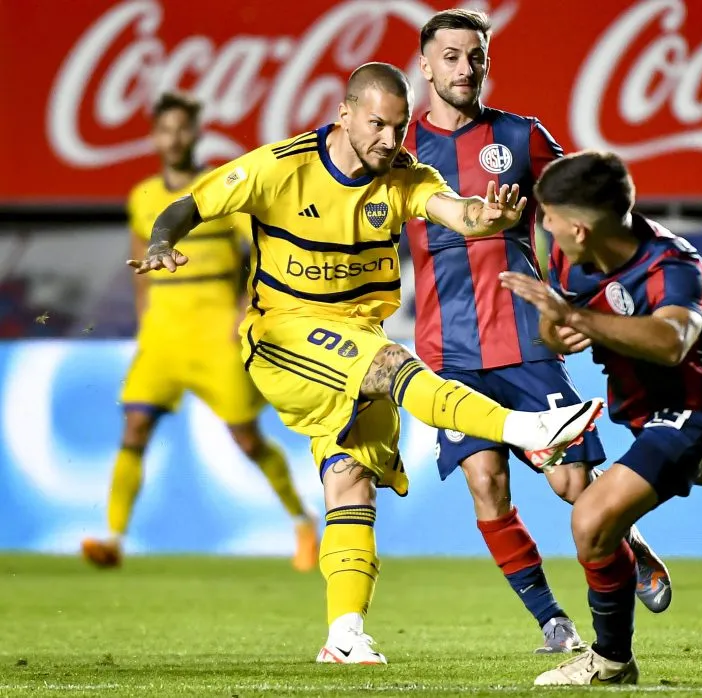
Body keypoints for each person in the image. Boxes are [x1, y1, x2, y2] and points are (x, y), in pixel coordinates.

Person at [127, 63, 604, 666]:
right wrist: (164, 243)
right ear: (344, 114)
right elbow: (186, 206)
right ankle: (525, 428)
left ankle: (344, 634)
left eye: (399, 128)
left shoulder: (403, 176)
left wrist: (490, 220)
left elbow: (454, 210)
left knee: (350, 480)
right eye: (376, 124)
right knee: (393, 366)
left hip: (352, 335)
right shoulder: (280, 168)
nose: (389, 139)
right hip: (283, 334)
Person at [405, 9, 672, 654]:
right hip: (447, 354)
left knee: (571, 484)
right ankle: (553, 622)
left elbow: (579, 210)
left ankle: (628, 549)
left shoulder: (521, 139)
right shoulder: (400, 153)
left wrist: (603, 291)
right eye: (450, 57)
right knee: (484, 482)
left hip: (524, 339)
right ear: (425, 64)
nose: (464, 69)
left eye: (475, 56)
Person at [500, 151, 702, 686]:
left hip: (700, 401)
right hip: (642, 404)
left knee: (593, 522)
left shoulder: (673, 266)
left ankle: (612, 661)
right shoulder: (573, 255)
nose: (540, 223)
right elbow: (560, 327)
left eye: (547, 215)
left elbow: (672, 341)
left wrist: (578, 317)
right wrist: (559, 328)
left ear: (579, 225)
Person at [81, 92, 318, 571]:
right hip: (163, 336)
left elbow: (263, 253)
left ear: (196, 133)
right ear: (153, 136)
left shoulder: (219, 191)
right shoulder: (141, 196)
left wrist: (243, 307)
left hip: (216, 335)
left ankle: (301, 521)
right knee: (135, 426)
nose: (174, 138)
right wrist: (145, 316)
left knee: (246, 439)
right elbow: (139, 257)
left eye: (182, 128)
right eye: (165, 129)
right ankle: (112, 537)